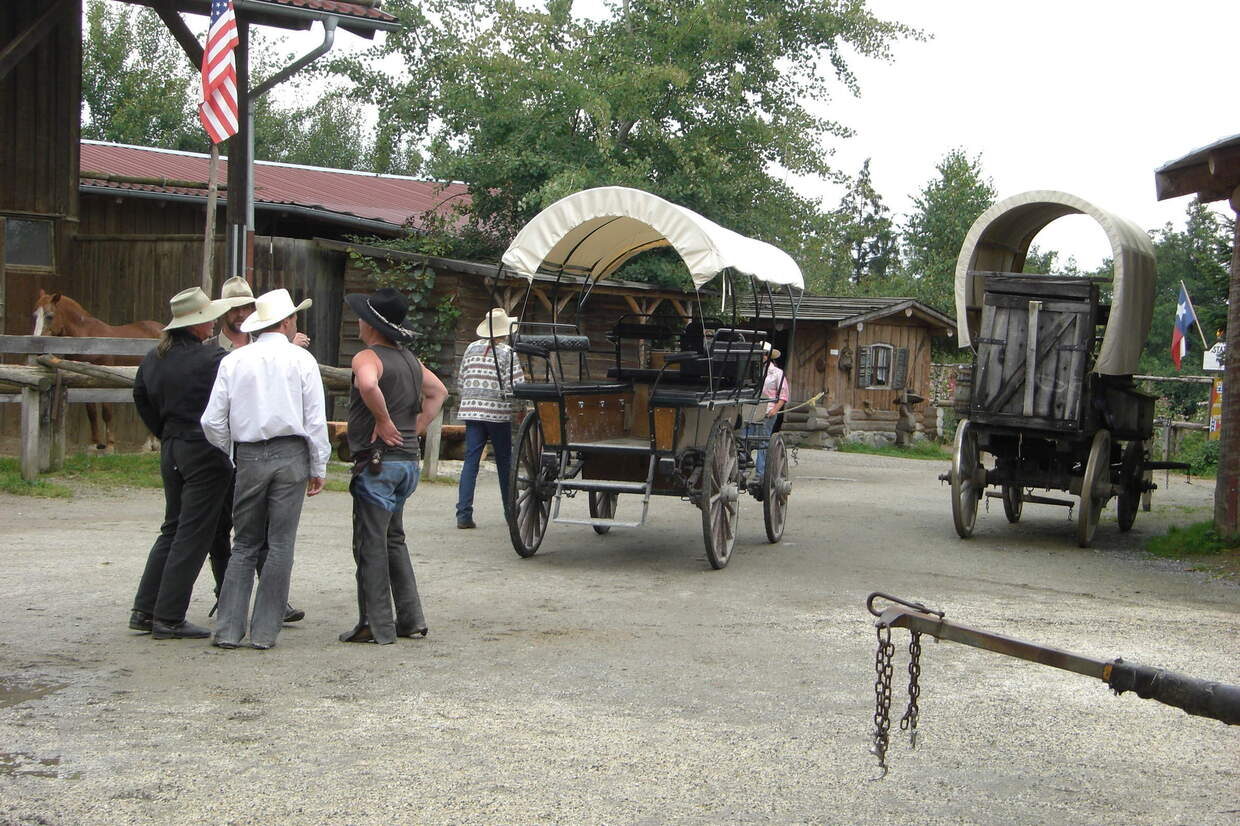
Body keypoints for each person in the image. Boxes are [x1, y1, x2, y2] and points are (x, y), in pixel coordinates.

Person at [201, 288, 330, 650]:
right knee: (280, 544)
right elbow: (315, 420)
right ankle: (265, 631)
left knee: (244, 542)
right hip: (292, 454)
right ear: (287, 321)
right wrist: (319, 464)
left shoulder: (234, 361)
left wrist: (232, 449)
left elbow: (211, 421)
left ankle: (228, 629)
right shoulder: (302, 360)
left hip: (250, 454)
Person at [130, 287, 242, 640]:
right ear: (195, 325)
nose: (211, 324)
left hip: (173, 445)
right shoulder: (213, 360)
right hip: (205, 449)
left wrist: (163, 430)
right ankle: (169, 617)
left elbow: (140, 397)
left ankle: (145, 609)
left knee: (173, 527)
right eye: (207, 319)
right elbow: (231, 402)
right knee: (194, 533)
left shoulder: (153, 358)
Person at [338, 288, 448, 644]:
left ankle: (376, 624)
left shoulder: (367, 357)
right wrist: (415, 428)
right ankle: (411, 619)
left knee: (370, 543)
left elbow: (368, 384)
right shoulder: (411, 360)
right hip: (406, 463)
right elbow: (439, 392)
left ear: (370, 324)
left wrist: (383, 421)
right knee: (394, 539)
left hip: (377, 462)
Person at [455, 308, 524, 529]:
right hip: (497, 413)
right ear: (505, 330)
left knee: (471, 461)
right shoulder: (508, 353)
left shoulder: (470, 348)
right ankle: (510, 510)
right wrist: (520, 407)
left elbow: (461, 380)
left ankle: (463, 515)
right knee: (505, 462)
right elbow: (516, 386)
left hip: (471, 411)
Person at [749, 344, 789, 479]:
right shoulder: (750, 371)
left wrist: (775, 410)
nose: (762, 356)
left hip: (768, 410)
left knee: (763, 442)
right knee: (745, 438)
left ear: (768, 356)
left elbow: (783, 396)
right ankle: (743, 469)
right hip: (751, 410)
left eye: (764, 354)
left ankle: (760, 473)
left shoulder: (777, 373)